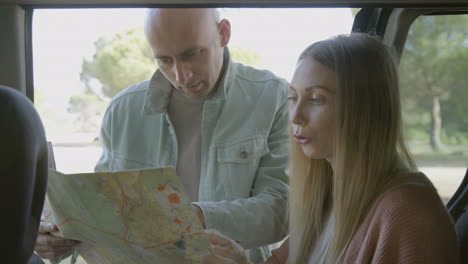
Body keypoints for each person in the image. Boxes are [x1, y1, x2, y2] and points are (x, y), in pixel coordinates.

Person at [34, 8, 289, 263]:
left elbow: (282, 211)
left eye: (191, 54)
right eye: (164, 60)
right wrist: (60, 236)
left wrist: (189, 217)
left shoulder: (274, 98)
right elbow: (103, 213)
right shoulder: (122, 111)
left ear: (223, 33)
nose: (181, 75)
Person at [204, 33, 459, 264]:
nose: (295, 116)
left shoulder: (410, 214)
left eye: (316, 99)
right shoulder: (328, 197)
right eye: (293, 97)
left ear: (363, 109)